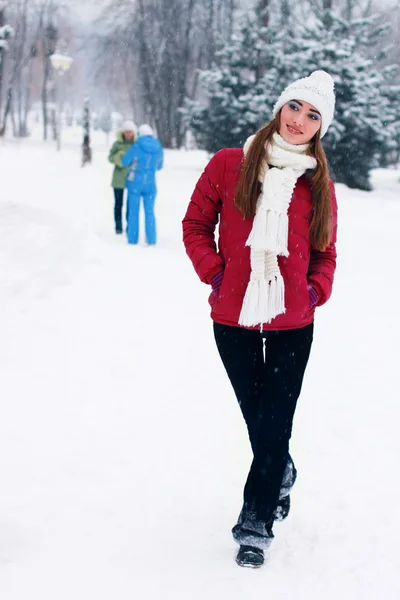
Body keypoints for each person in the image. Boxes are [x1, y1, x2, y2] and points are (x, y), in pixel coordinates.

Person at [182, 71, 338, 568]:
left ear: (320, 128)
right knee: (261, 422)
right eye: (295, 107)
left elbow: (325, 252)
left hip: (294, 322)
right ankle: (280, 471)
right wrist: (216, 275)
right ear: (279, 108)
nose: (299, 121)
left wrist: (313, 293)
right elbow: (195, 225)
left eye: (312, 116)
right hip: (233, 316)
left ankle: (256, 523)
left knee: (276, 423)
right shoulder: (231, 164)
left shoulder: (318, 184)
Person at [120, 124, 164, 245]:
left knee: (133, 212)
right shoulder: (158, 147)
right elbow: (160, 166)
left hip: (135, 183)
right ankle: (151, 239)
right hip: (150, 184)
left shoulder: (136, 147)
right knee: (149, 212)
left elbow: (124, 161)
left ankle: (132, 240)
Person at [108, 120, 137, 234]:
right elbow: (110, 158)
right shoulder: (117, 144)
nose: (128, 134)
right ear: (123, 133)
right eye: (126, 132)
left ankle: (130, 226)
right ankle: (118, 226)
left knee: (131, 205)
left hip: (132, 178)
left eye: (130, 132)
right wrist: (118, 158)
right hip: (118, 178)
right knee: (118, 204)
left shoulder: (136, 145)